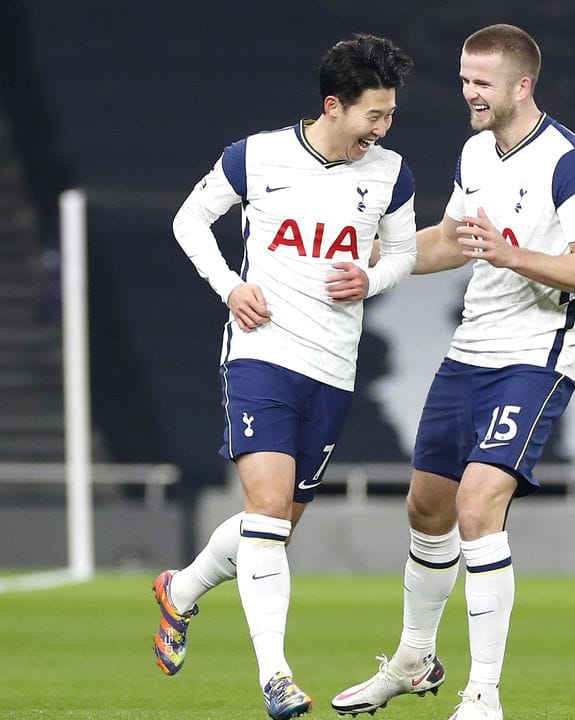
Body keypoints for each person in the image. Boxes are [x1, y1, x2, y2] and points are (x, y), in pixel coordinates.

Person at [330, 24, 575, 720]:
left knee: (477, 505)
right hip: (470, 351)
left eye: (481, 82)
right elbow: (454, 242)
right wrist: (374, 264)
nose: (468, 93)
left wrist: (514, 253)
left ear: (523, 86)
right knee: (426, 508)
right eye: (464, 79)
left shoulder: (570, 162)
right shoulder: (474, 152)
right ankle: (414, 658)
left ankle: (483, 692)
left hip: (535, 354)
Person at [154, 34, 416, 720]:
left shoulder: (391, 174)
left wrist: (372, 276)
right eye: (374, 116)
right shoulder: (256, 156)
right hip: (261, 354)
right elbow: (190, 220)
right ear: (334, 105)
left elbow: (407, 253)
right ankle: (276, 676)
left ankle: (179, 591)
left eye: (389, 116)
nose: (382, 130)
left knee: (270, 530)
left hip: (333, 369)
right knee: (267, 511)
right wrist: (229, 286)